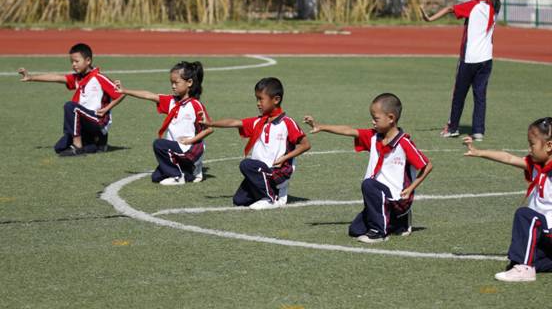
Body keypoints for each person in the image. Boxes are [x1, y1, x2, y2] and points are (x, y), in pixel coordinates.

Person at [304, 93, 432, 243]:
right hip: (380, 197)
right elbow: (349, 130)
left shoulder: (404, 143)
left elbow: (427, 166)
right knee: (355, 230)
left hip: (397, 199)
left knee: (368, 183)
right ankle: (399, 222)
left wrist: (411, 188)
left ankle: (379, 233)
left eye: (376, 118)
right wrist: (321, 126)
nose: (373, 122)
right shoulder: (374, 137)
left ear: (391, 118)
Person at [421, 0, 503, 141]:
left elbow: (450, 8)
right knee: (480, 96)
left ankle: (452, 128)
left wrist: (430, 19)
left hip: (469, 59)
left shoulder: (472, 6)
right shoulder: (494, 6)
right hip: (486, 60)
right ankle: (478, 131)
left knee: (458, 94)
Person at [463, 117, 552, 282]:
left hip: (548, 230)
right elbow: (508, 158)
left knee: (524, 214)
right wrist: (479, 152)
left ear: (549, 146)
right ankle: (525, 264)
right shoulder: (535, 165)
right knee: (524, 262)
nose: (529, 148)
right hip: (544, 236)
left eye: (532, 144)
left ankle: (524, 269)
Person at [202, 77, 311, 210]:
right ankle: (272, 193)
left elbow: (306, 145)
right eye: (256, 99)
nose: (258, 103)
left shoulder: (287, 123)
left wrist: (285, 158)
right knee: (239, 200)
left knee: (246, 164)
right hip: (260, 171)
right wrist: (211, 123)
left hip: (277, 172)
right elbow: (235, 123)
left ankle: (271, 199)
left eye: (261, 99)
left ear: (276, 100)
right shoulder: (259, 122)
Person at [115, 61, 212, 186]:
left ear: (189, 83)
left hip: (189, 149)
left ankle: (178, 176)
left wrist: (190, 140)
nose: (173, 86)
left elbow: (209, 129)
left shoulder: (195, 105)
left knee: (159, 144)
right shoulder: (171, 101)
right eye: (171, 82)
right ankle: (191, 172)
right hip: (175, 149)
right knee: (156, 177)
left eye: (176, 82)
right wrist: (125, 91)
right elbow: (149, 95)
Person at [18, 43, 124, 156]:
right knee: (60, 147)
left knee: (70, 106)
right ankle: (97, 144)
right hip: (84, 121)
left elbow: (122, 94)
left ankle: (78, 146)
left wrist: (106, 108)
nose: (73, 65)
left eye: (76, 61)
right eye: (72, 62)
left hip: (97, 120)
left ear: (88, 60)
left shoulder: (99, 77)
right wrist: (31, 77)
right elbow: (58, 78)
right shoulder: (78, 78)